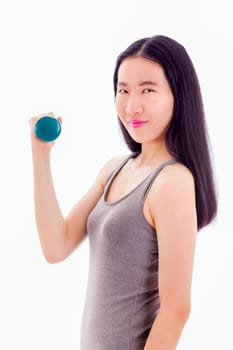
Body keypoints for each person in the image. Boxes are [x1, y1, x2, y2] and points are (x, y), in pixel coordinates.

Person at [29, 35, 217, 350]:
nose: (131, 105)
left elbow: (176, 310)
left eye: (147, 89)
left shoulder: (172, 182)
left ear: (178, 95)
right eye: (123, 90)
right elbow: (56, 246)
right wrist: (41, 154)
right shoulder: (114, 169)